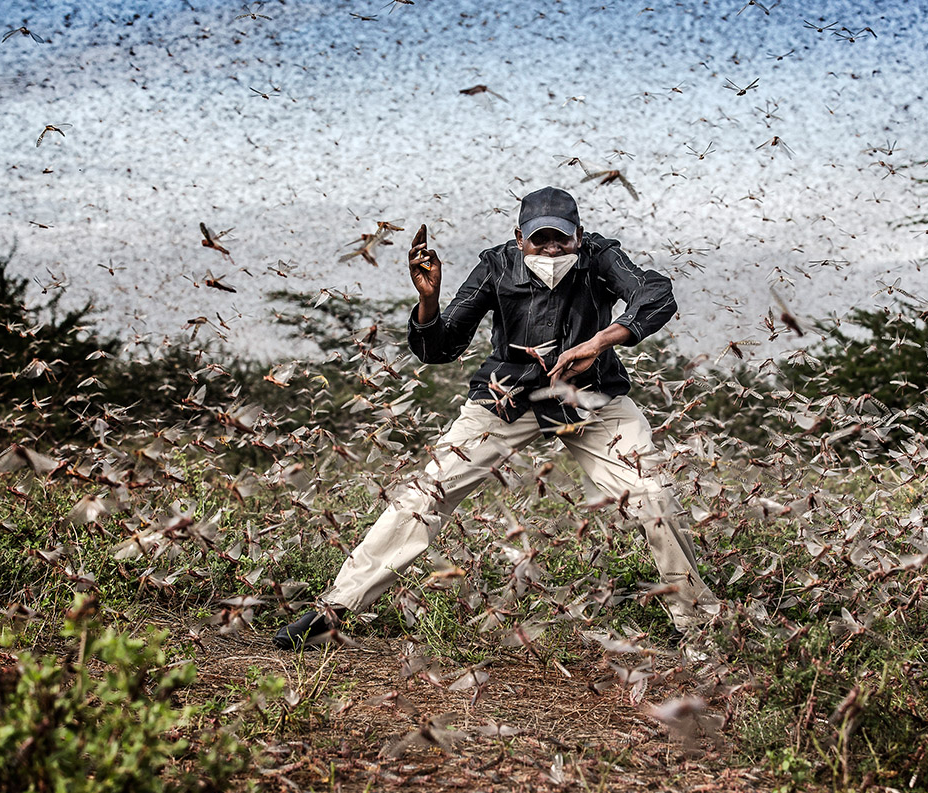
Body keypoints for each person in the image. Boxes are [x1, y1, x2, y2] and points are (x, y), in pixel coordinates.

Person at [274, 186, 720, 649]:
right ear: (519, 238)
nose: (551, 250)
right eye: (539, 240)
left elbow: (656, 293)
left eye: (561, 240)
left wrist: (598, 343)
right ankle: (335, 610)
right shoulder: (495, 265)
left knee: (652, 493)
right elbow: (440, 348)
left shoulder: (600, 257)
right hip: (507, 397)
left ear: (579, 237)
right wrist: (429, 300)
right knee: (426, 494)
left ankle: (699, 628)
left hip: (591, 396)